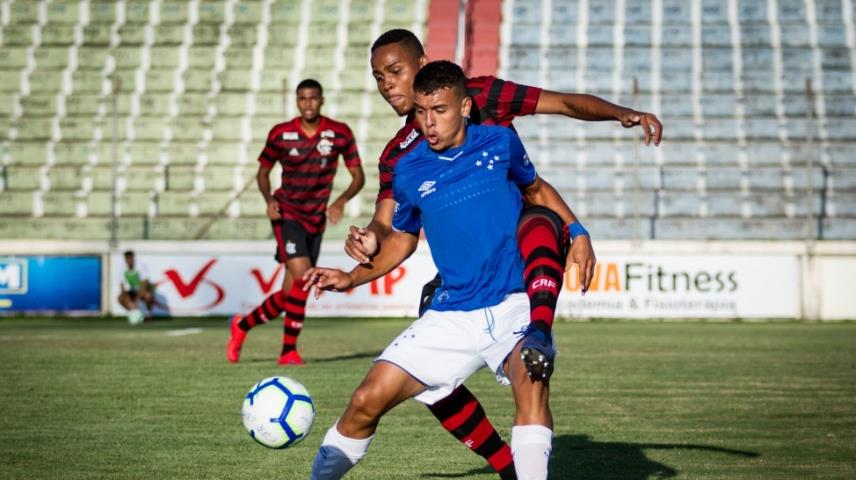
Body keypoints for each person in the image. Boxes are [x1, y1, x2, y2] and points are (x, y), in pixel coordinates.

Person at [335, 29, 663, 477]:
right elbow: (389, 223)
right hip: (468, 272)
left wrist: (621, 115)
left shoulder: (483, 93)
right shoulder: (399, 155)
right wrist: (367, 242)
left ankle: (537, 334)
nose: (388, 84)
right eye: (378, 77)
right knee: (430, 382)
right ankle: (506, 464)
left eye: (395, 71)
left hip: (528, 252)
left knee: (535, 225)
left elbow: (563, 105)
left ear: (425, 64)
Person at [304, 61, 576, 479]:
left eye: (440, 111)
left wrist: (578, 232)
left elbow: (536, 190)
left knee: (532, 379)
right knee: (364, 401)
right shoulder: (409, 168)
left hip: (514, 302)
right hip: (453, 313)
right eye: (421, 112)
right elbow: (402, 238)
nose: (429, 123)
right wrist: (351, 277)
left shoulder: (500, 143)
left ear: (466, 106)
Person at [227, 79, 365, 365]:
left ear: (322, 100)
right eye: (302, 99)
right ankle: (288, 352)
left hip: (316, 219)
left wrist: (339, 201)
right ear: (297, 101)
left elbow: (358, 177)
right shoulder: (281, 134)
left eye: (313, 98)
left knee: (291, 293)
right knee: (304, 277)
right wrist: (269, 200)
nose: (308, 104)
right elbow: (263, 173)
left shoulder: (339, 133)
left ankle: (241, 326)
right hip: (287, 214)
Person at [118, 250, 154, 321]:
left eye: (130, 258)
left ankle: (148, 314)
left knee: (148, 296)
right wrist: (129, 302)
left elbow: (144, 285)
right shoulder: (122, 268)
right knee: (120, 298)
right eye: (127, 259)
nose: (129, 261)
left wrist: (136, 301)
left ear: (133, 258)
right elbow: (122, 287)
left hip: (142, 290)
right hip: (132, 291)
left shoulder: (140, 266)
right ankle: (132, 312)